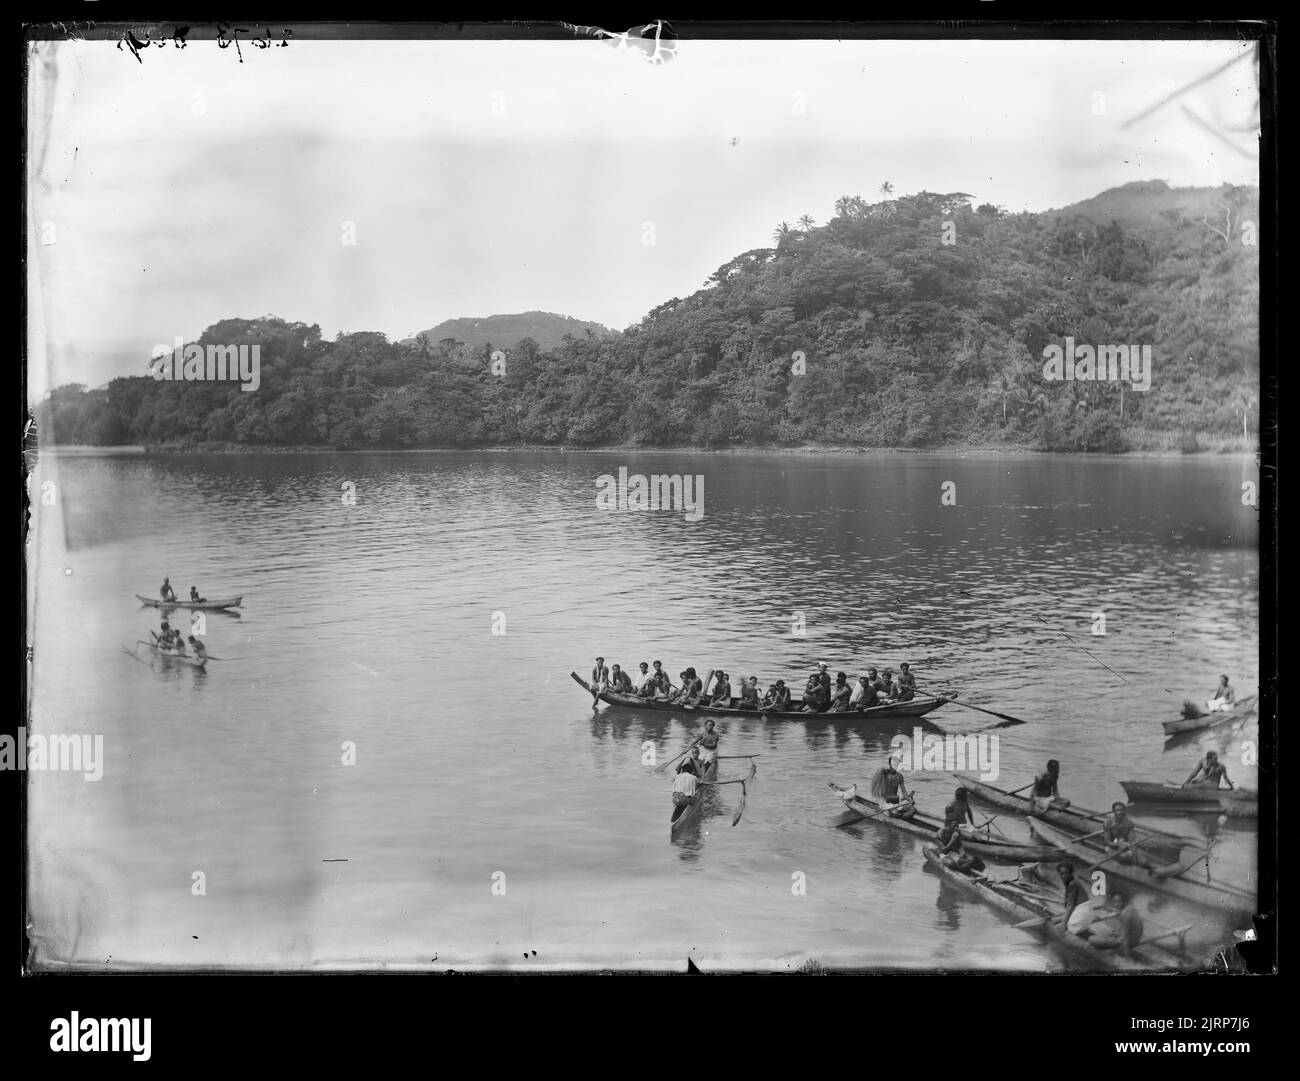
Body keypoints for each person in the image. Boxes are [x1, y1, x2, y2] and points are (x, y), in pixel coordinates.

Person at [1088, 887, 1145, 956]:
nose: (1115, 904)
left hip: (1126, 941)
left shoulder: (1125, 914)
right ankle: (1114, 940)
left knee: (1091, 939)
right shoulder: (1130, 908)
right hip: (1133, 938)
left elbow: (1126, 936)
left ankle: (1115, 945)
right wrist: (1101, 918)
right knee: (1104, 930)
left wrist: (1123, 950)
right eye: (1114, 901)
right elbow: (1117, 913)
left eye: (1118, 902)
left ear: (1124, 901)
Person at [1058, 863, 1095, 937]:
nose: (1064, 876)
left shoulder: (1072, 883)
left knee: (1070, 927)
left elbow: (1071, 906)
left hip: (1083, 913)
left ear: (1071, 873)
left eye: (1066, 873)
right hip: (1085, 913)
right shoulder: (1071, 881)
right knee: (1059, 919)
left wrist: (1063, 924)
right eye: (1062, 873)